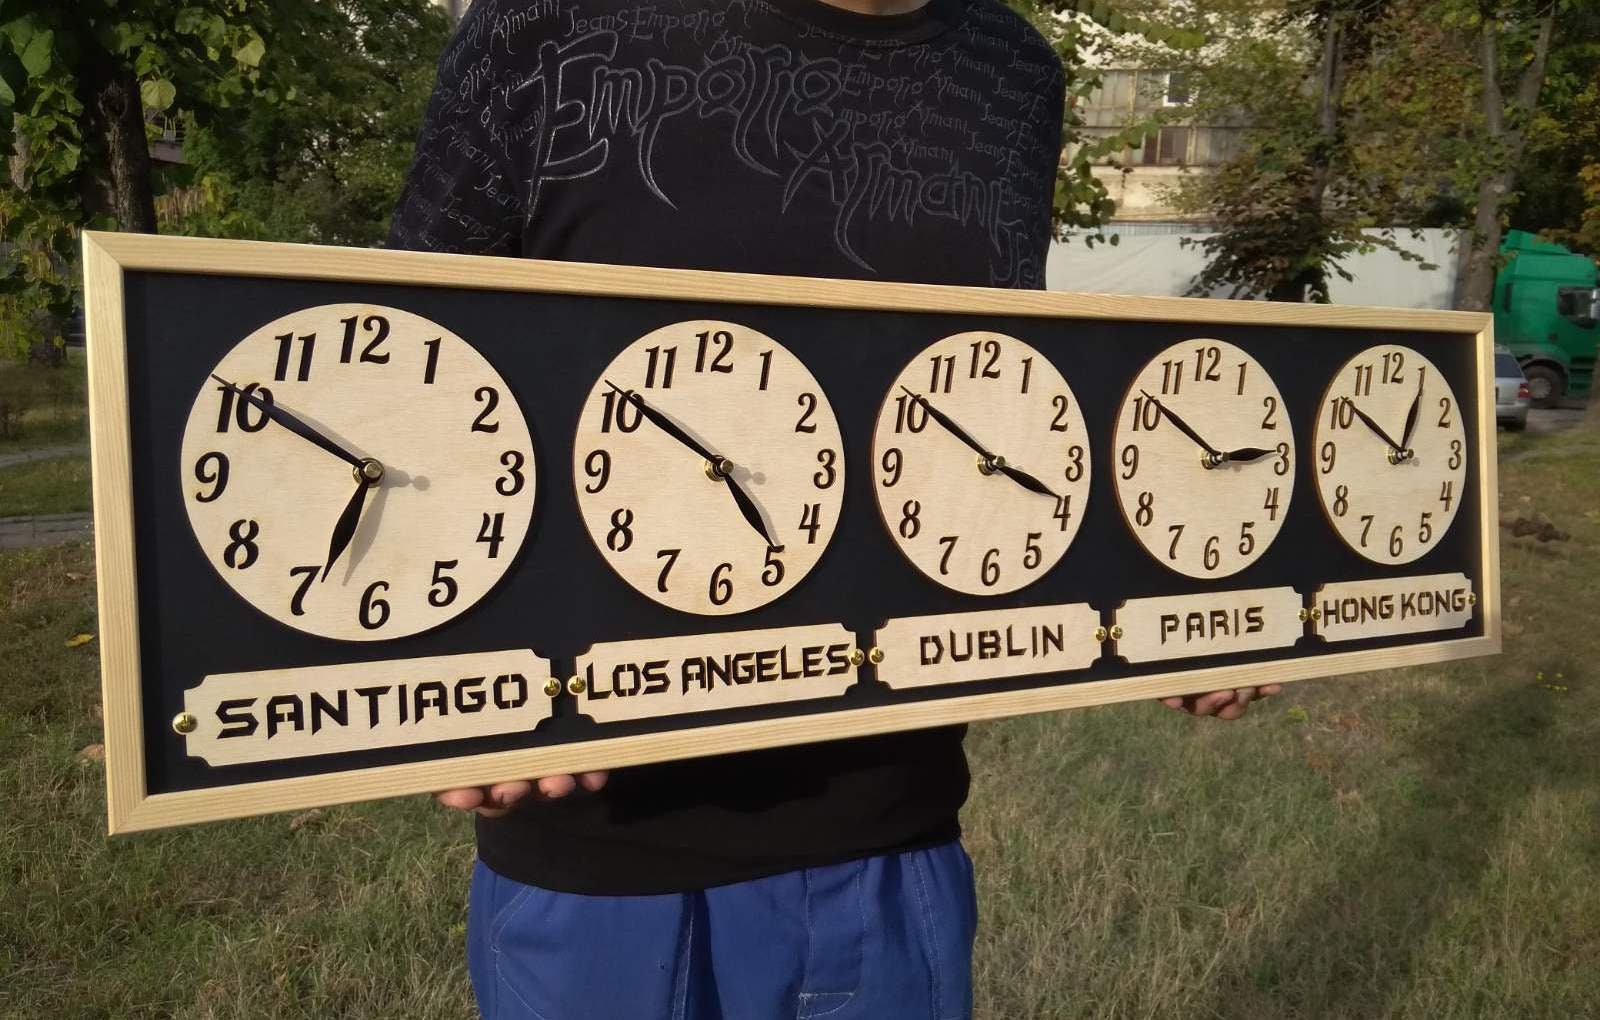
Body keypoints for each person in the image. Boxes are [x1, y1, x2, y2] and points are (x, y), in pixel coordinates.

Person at [388, 0, 1278, 1015]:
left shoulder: (1011, 69)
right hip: (601, 850)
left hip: (890, 835)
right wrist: (455, 680)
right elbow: (413, 371)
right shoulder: (544, 23)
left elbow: (988, 396)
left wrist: (1182, 595)